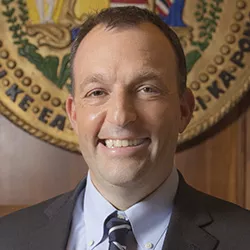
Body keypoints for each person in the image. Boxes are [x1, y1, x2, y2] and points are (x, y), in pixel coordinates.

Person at [1, 6, 250, 250]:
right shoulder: (7, 239)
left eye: (147, 89)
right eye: (97, 92)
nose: (120, 117)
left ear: (184, 110)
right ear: (74, 115)